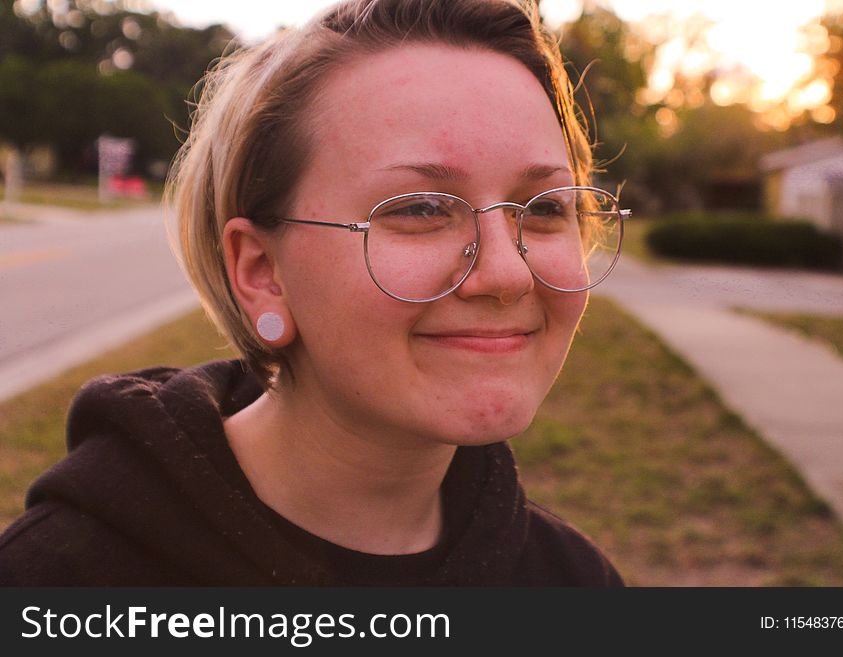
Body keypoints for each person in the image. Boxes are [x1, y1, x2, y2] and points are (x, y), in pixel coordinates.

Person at [0, 0, 626, 586]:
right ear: (262, 272)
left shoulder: (573, 582)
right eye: (420, 208)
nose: (507, 276)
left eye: (545, 208)